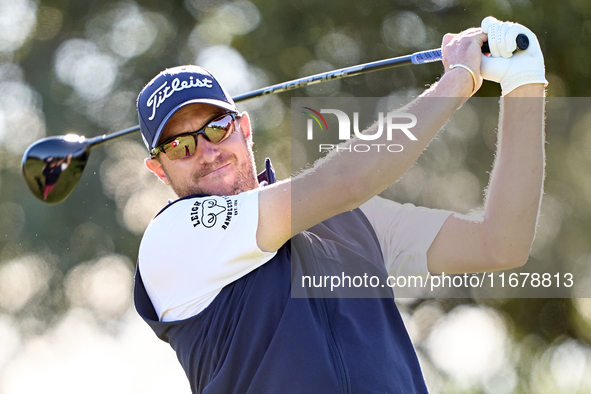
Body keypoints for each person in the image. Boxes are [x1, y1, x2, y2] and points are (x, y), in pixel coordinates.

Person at [133, 17, 546, 393]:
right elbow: (347, 181)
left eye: (218, 128)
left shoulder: (347, 218)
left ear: (243, 128)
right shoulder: (173, 239)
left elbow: (500, 242)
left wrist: (523, 84)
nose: (206, 152)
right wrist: (459, 79)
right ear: (159, 169)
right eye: (180, 145)